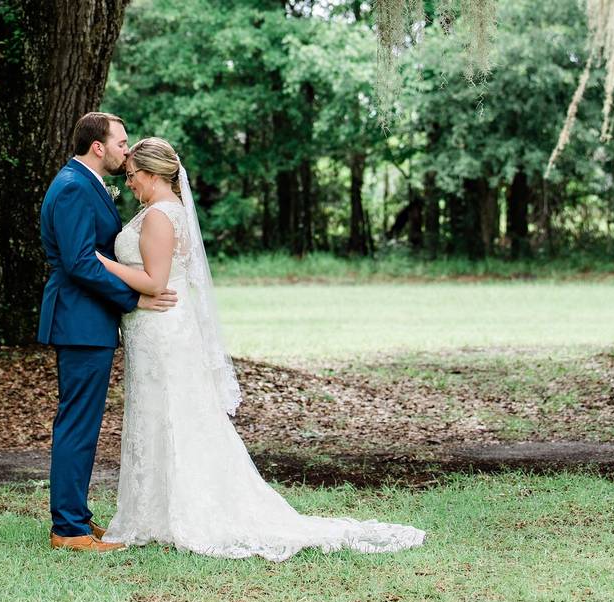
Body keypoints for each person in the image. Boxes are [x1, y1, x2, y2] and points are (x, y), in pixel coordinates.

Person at [94, 137, 426, 561]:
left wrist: (100, 261)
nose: (131, 182)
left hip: (163, 327)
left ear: (153, 173)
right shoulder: (159, 212)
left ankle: (180, 510)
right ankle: (153, 511)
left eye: (133, 175)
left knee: (172, 414)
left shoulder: (160, 216)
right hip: (152, 329)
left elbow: (155, 282)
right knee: (157, 415)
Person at [37, 113, 177, 553]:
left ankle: (76, 517)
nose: (126, 149)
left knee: (82, 421)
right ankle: (68, 529)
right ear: (98, 146)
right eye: (121, 141)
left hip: (89, 320)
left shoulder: (85, 183)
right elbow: (81, 261)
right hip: (80, 321)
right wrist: (134, 299)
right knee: (77, 423)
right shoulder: (75, 186)